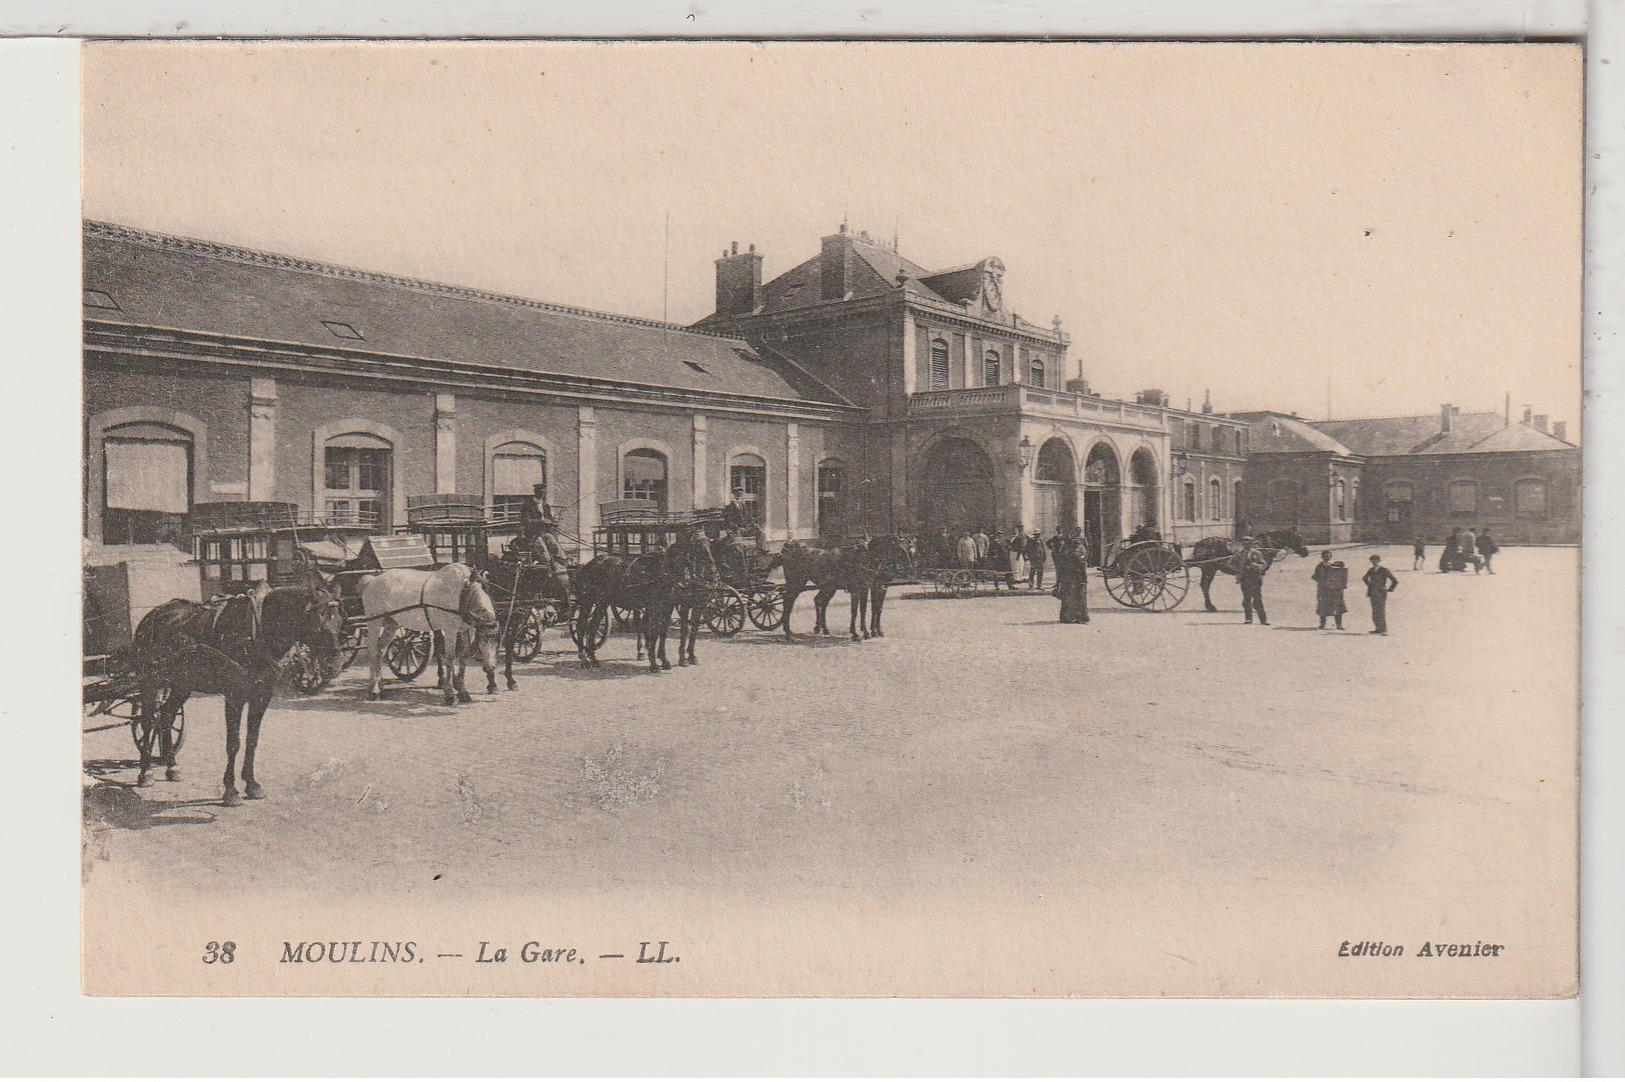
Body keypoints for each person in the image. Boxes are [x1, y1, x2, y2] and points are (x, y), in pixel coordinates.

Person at [1053, 538, 1090, 623]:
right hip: (1077, 579)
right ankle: (1080, 617)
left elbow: (1060, 569)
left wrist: (1059, 582)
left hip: (1067, 580)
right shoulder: (1076, 556)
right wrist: (1084, 580)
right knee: (1078, 598)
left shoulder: (1065, 555)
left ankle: (1066, 617)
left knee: (1067, 598)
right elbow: (1082, 569)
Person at [1312, 550, 1348, 630]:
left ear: (1331, 557)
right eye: (1325, 556)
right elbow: (1315, 576)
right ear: (1322, 557)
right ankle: (1322, 624)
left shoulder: (1335, 566)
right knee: (1322, 606)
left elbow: (1341, 576)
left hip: (1334, 590)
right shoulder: (1319, 566)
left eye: (1328, 556)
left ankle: (1339, 625)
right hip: (1323, 589)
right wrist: (1323, 581)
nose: (1327, 557)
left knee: (1337, 606)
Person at [1362, 553, 1398, 634]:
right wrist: (1370, 585)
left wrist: (1389, 589)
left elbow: (1394, 581)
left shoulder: (1384, 570)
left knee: (1380, 610)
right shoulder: (1371, 570)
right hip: (1372, 593)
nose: (1374, 563)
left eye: (1375, 561)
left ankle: (1383, 629)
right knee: (1375, 611)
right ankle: (1378, 628)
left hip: (1381, 593)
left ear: (1379, 561)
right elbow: (1364, 578)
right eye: (1372, 561)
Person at [1237, 539, 1270, 626]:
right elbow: (1230, 563)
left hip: (1255, 578)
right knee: (1247, 598)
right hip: (1244, 578)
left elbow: (1264, 565)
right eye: (1244, 543)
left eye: (1248, 543)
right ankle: (1248, 619)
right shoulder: (1239, 554)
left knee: (1257, 598)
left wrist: (1256, 566)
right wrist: (1239, 570)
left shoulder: (1257, 553)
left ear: (1251, 544)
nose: (1246, 545)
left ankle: (1263, 620)